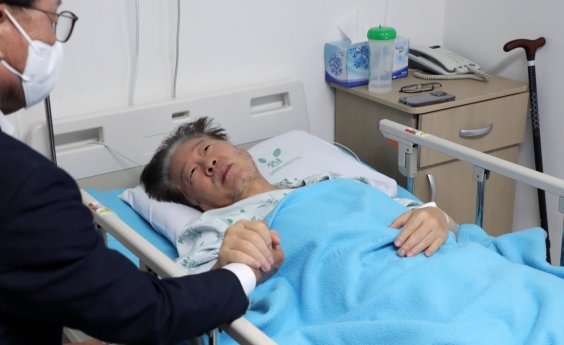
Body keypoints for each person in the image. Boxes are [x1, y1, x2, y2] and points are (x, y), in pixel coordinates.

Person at [0, 0, 282, 345]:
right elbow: (149, 315)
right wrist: (239, 269)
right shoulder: (16, 186)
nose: (56, 40)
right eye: (52, 19)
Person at [141, 117, 459, 273]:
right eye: (193, 173)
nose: (208, 163)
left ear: (237, 148)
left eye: (207, 149)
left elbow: (421, 217)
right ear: (195, 203)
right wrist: (224, 267)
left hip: (424, 263)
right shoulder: (218, 227)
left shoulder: (326, 181)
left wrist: (438, 217)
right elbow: (185, 302)